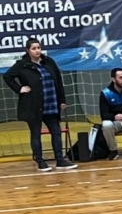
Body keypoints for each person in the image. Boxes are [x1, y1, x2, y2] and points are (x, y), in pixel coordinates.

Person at [2, 39, 77, 171]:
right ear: (28, 50)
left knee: (56, 132)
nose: (37, 51)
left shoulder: (49, 62)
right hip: (34, 106)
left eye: (38, 48)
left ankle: (60, 160)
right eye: (34, 48)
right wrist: (19, 89)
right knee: (36, 134)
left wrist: (62, 100)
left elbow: (58, 81)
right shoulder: (22, 65)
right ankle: (40, 162)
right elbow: (7, 76)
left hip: (51, 103)